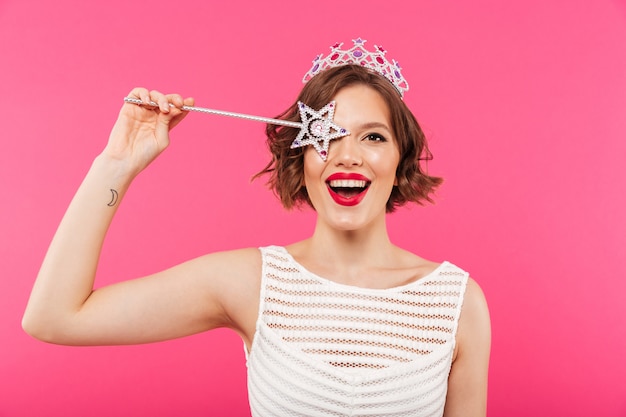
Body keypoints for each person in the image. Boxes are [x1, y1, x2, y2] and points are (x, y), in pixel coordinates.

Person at [23, 39, 491, 417]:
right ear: (300, 155)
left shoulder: (457, 302)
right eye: (327, 135)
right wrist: (117, 164)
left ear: (400, 158)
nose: (348, 155)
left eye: (373, 136)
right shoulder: (251, 283)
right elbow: (54, 317)